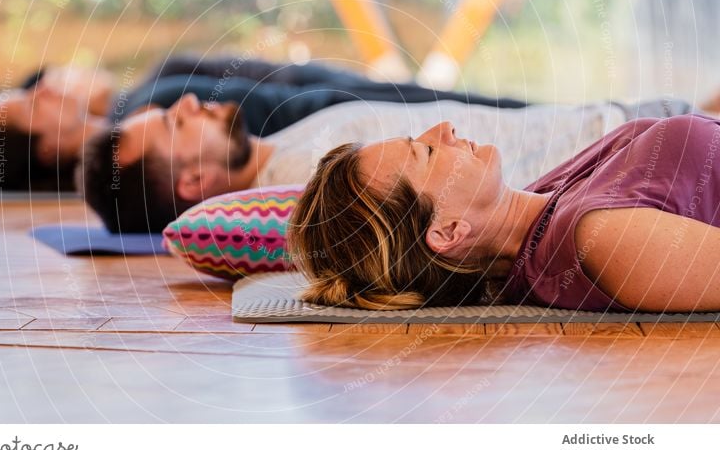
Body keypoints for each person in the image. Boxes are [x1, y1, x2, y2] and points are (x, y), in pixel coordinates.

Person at [82, 75, 705, 236]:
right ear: (193, 181)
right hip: (643, 158)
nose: (188, 102)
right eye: (174, 123)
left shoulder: (291, 149)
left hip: (626, 124)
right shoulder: (324, 181)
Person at [287, 114, 720, 314]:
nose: (445, 128)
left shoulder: (541, 203)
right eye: (427, 151)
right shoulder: (597, 240)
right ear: (448, 231)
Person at [0, 54, 529, 192]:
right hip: (339, 106)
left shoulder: (135, 114)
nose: (44, 90)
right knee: (497, 113)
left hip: (336, 101)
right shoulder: (145, 109)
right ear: (45, 151)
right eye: (33, 106)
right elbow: (281, 94)